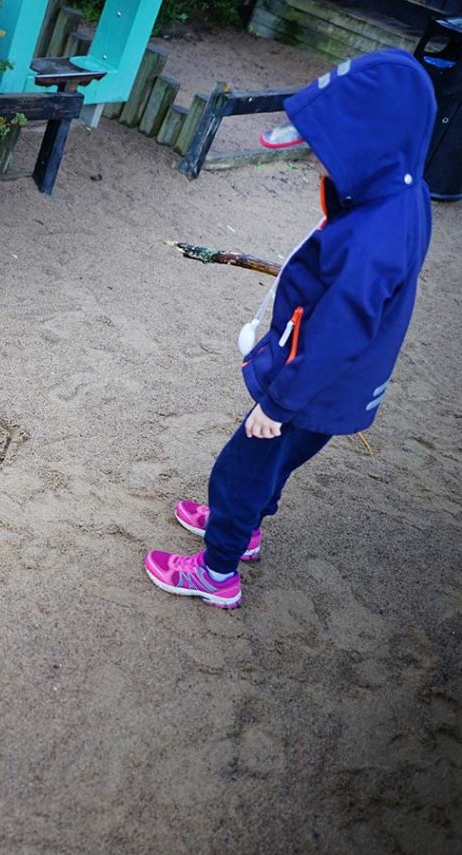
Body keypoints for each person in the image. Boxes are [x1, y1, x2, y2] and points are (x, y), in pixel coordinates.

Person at [144, 49, 437, 609]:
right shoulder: (402, 195)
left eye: (327, 152)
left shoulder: (373, 239)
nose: (316, 162)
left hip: (312, 385)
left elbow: (342, 332)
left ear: (369, 146)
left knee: (241, 467)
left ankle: (217, 571)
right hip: (332, 384)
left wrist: (278, 403)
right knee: (272, 465)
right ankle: (243, 527)